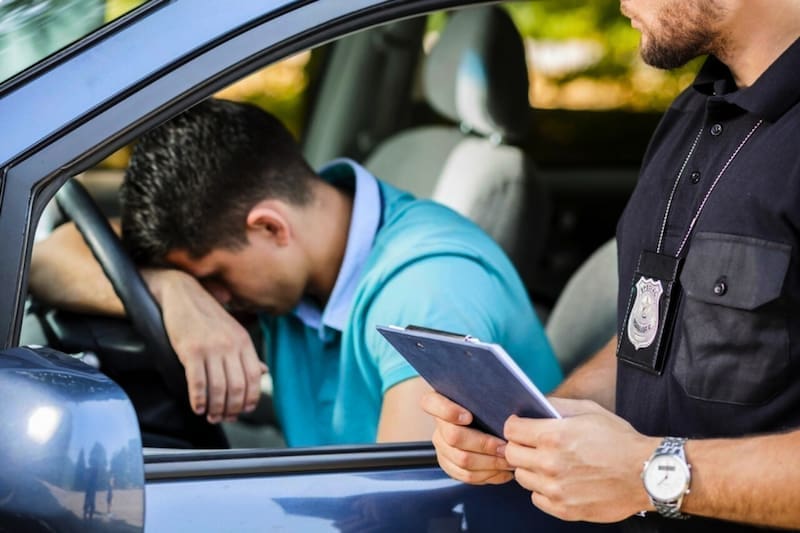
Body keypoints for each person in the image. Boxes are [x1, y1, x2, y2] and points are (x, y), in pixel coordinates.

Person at [421, 0, 800, 531]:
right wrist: (531, 428)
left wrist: (649, 472)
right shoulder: (693, 113)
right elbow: (655, 337)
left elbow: (639, 468)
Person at [30, 98, 562, 447]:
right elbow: (48, 260)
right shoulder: (299, 261)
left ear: (270, 228)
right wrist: (173, 291)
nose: (215, 298)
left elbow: (402, 508)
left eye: (213, 277)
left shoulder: (427, 292)